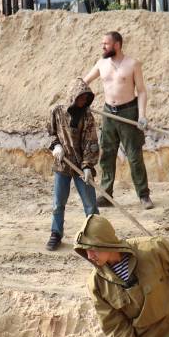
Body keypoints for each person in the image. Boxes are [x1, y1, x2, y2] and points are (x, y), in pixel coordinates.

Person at [82, 30, 153, 210]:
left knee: (134, 156)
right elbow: (84, 82)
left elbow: (142, 91)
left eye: (106, 44)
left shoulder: (132, 64)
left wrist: (142, 115)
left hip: (128, 112)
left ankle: (144, 195)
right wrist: (77, 98)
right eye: (103, 44)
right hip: (108, 114)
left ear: (117, 44)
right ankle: (106, 194)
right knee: (107, 154)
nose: (103, 47)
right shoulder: (101, 63)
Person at [45, 78, 100, 251]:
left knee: (90, 204)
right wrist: (56, 146)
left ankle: (95, 236)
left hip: (81, 166)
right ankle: (56, 234)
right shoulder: (57, 112)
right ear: (72, 97)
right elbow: (50, 133)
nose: (83, 101)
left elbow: (91, 143)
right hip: (62, 164)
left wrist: (87, 166)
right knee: (58, 203)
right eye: (80, 97)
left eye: (86, 98)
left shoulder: (88, 117)